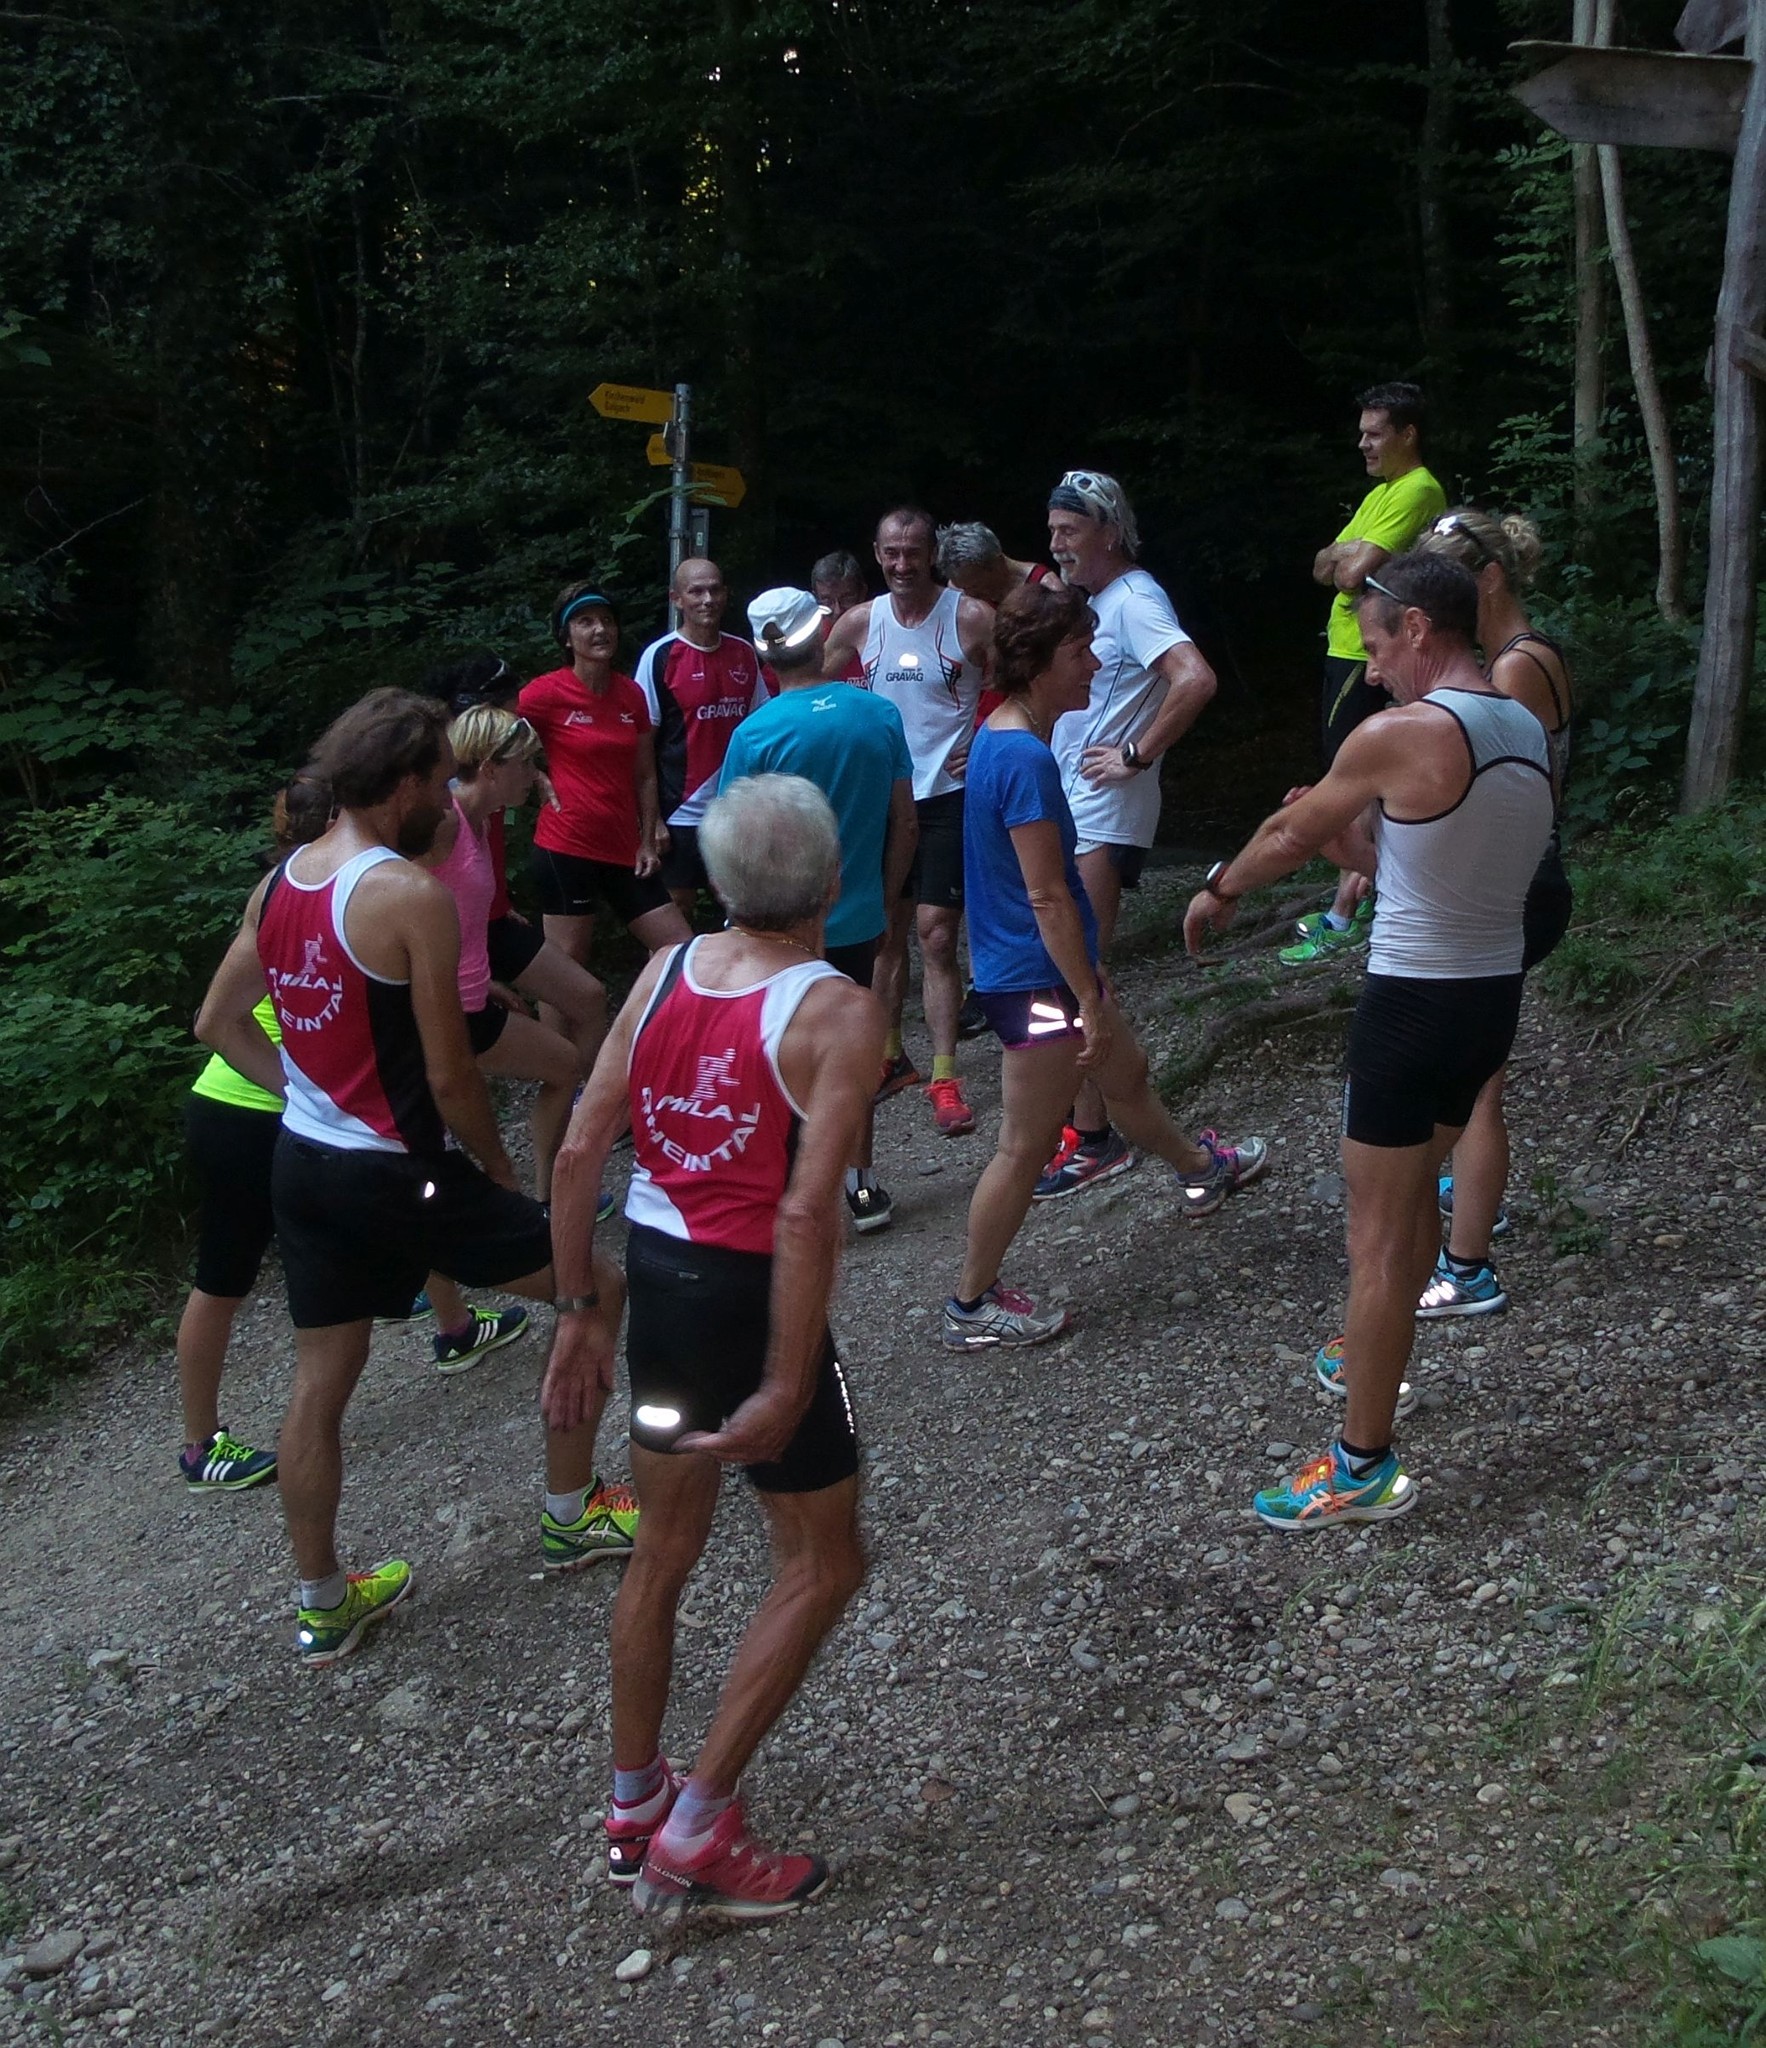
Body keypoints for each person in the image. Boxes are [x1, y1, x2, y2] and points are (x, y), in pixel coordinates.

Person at [195, 688, 628, 1665]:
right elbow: (448, 1072)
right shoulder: (405, 895)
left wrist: (311, 1096)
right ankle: (572, 1511)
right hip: (397, 1168)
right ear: (399, 787)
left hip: (304, 1164)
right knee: (595, 1284)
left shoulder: (279, 883)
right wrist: (498, 1165)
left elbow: (218, 1023)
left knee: (319, 1383)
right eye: (437, 778)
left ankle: (321, 1602)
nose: (446, 793)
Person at [540, 774, 882, 1919]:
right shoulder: (834, 1008)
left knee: (663, 1547)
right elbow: (801, 1211)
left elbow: (583, 1144)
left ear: (718, 885)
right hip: (744, 1295)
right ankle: (697, 1832)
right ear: (830, 886)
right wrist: (789, 1377)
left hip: (661, 1287)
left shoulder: (661, 966)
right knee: (824, 1558)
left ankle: (634, 1802)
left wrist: (582, 1306)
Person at [1183, 553, 1553, 1531]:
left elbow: (1289, 832)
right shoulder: (1521, 721)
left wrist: (1219, 887)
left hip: (1410, 1006)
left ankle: (1359, 1467)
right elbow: (1431, 857)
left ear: (1419, 628)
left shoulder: (1404, 732)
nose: (1372, 664)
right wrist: (1362, 844)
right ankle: (1372, 1361)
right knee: (1410, 1200)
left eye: (1378, 641)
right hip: (1485, 1002)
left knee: (1375, 1239)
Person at [946, 580, 1268, 1349]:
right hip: (1035, 979)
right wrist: (1084, 991)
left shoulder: (1006, 735)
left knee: (1126, 1074)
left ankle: (1199, 1168)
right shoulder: (1021, 756)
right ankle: (970, 1303)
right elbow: (1048, 896)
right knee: (1025, 1144)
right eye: (1079, 651)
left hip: (1042, 970)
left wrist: (1090, 977)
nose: (1094, 663)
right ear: (1037, 662)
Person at [1412, 507, 1573, 1314]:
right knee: (1475, 1079)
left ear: (1491, 579)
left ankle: (1468, 1264)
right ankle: (1471, 1207)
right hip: (1508, 889)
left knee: (1479, 1089)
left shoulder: (1516, 669)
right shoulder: (1516, 657)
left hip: (1517, 891)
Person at [1040, 468, 1216, 1199]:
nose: (1056, 545)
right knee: (1069, 965)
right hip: (1075, 803)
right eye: (1051, 531)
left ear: (1109, 532)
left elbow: (1195, 678)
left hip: (1105, 812)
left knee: (1081, 967)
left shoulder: (1137, 600)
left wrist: (1137, 753)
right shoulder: (1093, 599)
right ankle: (1085, 1124)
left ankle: (1094, 1137)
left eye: (1069, 531)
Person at [722, 586, 918, 1233]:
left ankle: (784, 1193)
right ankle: (861, 1188)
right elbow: (905, 824)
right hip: (860, 916)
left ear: (763, 654)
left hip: (777, 927)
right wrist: (885, 903)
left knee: (780, 1051)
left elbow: (735, 841)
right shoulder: (879, 714)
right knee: (853, 1049)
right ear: (823, 631)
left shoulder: (755, 734)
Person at [175, 768, 334, 1494]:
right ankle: (201, 1444)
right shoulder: (285, 895)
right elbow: (214, 1022)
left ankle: (453, 1322)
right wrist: (300, 1090)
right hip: (242, 1110)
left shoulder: (313, 888)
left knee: (380, 1201)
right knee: (222, 1277)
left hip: (258, 1106)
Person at [822, 506, 992, 1136]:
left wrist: (987, 730)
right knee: (884, 937)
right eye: (889, 553)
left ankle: (946, 1076)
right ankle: (891, 1057)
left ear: (932, 554)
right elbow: (808, 679)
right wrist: (840, 731)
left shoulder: (969, 617)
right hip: (884, 797)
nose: (900, 565)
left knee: (939, 936)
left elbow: (1021, 676)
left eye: (911, 553)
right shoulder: (862, 621)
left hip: (948, 793)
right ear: (876, 551)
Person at [1285, 382, 1446, 964]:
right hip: (1350, 647)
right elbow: (1322, 562)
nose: (1363, 444)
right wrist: (1341, 555)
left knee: (1353, 781)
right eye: (1361, 433)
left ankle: (1348, 912)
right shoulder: (1382, 492)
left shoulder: (1418, 488)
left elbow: (1351, 573)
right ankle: (1364, 901)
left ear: (1408, 435)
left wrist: (1344, 556)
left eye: (1374, 433)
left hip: (1368, 654)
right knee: (1354, 777)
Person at [520, 584, 692, 979]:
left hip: (625, 851)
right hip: (567, 846)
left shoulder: (630, 694)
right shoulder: (546, 693)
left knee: (680, 950)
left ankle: (649, 1034)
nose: (600, 630)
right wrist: (534, 774)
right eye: (585, 622)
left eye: (607, 621)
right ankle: (555, 1044)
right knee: (566, 968)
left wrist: (647, 839)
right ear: (566, 637)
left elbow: (645, 775)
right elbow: (492, 735)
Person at [634, 558, 765, 918]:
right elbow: (643, 747)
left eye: (715, 589)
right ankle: (671, 975)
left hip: (734, 812)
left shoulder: (744, 653)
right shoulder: (659, 656)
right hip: (679, 816)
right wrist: (652, 822)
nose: (707, 599)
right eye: (696, 591)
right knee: (675, 914)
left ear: (725, 594)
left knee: (747, 912)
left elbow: (761, 733)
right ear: (677, 599)